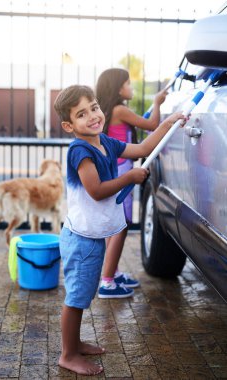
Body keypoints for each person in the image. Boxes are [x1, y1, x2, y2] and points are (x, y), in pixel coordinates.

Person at [53, 84, 186, 376]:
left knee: (84, 294)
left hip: (91, 237)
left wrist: (167, 122)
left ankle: (75, 343)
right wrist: (130, 178)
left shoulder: (105, 142)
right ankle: (68, 354)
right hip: (81, 240)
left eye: (95, 107)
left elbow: (141, 149)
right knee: (76, 299)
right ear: (68, 125)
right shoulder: (81, 151)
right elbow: (97, 191)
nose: (92, 116)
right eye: (81, 114)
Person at [95, 67, 167, 298]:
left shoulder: (113, 110)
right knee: (121, 227)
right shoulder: (120, 110)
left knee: (116, 226)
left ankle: (112, 273)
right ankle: (107, 281)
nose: (131, 87)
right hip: (122, 171)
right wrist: (157, 102)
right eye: (128, 83)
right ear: (118, 88)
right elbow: (153, 124)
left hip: (115, 170)